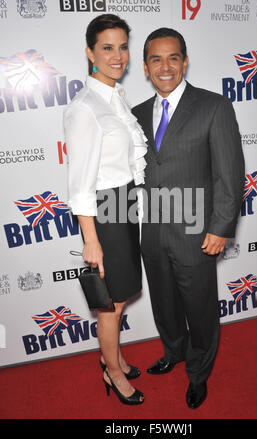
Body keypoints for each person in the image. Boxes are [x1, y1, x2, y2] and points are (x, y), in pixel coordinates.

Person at [132, 28, 245, 409]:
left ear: (185, 61)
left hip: (197, 233)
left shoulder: (214, 107)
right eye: (156, 59)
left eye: (173, 57)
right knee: (164, 303)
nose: (165, 66)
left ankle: (198, 372)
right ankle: (173, 352)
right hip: (152, 233)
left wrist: (220, 227)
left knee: (199, 308)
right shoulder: (134, 116)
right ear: (146, 67)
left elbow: (229, 175)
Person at [64, 14, 147, 405]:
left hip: (124, 203)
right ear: (90, 53)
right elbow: (81, 183)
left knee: (122, 294)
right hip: (104, 212)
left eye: (123, 46)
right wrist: (91, 240)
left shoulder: (113, 96)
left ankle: (112, 356)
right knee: (111, 303)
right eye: (107, 48)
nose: (118, 56)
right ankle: (112, 372)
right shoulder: (84, 107)